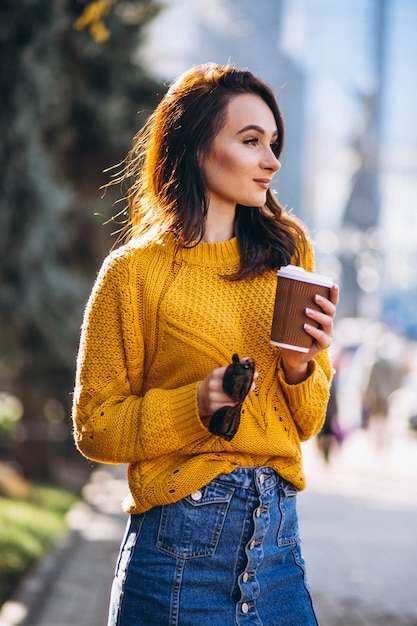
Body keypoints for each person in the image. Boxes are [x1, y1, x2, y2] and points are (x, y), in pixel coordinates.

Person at [72, 63, 338, 626]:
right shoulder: (134, 273)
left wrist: (298, 368)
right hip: (177, 554)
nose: (272, 160)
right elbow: (95, 426)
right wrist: (196, 404)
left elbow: (308, 422)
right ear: (195, 148)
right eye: (250, 142)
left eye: (273, 142)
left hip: (279, 550)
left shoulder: (288, 256)